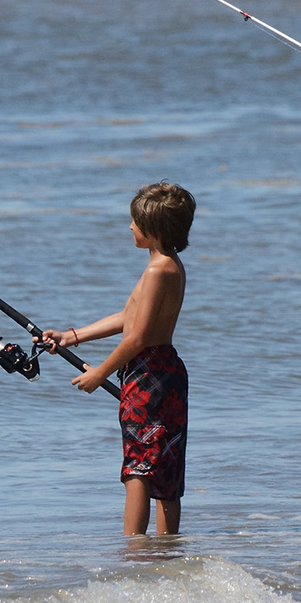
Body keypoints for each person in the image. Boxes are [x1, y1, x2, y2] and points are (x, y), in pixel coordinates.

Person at [37, 182, 195, 535]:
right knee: (165, 463)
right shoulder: (169, 264)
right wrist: (71, 337)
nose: (130, 227)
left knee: (138, 466)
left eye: (135, 222)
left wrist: (100, 373)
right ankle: (166, 550)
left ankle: (134, 550)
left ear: (152, 230)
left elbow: (136, 337)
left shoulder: (157, 270)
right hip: (166, 370)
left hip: (148, 373)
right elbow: (129, 315)